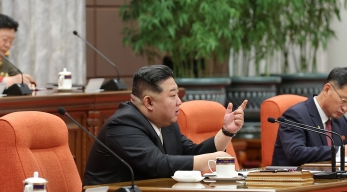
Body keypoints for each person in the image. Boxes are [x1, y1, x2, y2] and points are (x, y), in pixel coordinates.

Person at [83, 65, 248, 185]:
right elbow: (157, 164)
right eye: (173, 95)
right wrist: (209, 160)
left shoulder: (165, 121)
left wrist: (226, 132)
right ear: (148, 101)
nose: (179, 102)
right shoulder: (122, 125)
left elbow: (192, 153)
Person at [271, 67, 347, 167]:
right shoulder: (296, 115)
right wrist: (339, 152)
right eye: (344, 100)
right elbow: (295, 153)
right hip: (294, 186)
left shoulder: (339, 120)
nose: (345, 108)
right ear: (326, 90)